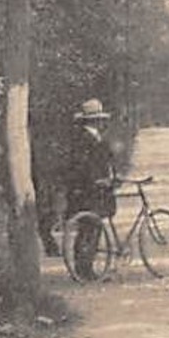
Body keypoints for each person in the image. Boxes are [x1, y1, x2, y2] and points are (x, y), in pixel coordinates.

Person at [64, 98, 116, 278]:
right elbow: (82, 165)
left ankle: (84, 268)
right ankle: (84, 270)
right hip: (87, 191)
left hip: (94, 190)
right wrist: (97, 180)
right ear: (94, 120)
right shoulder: (84, 139)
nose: (102, 122)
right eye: (99, 119)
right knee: (90, 228)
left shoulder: (94, 137)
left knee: (91, 228)